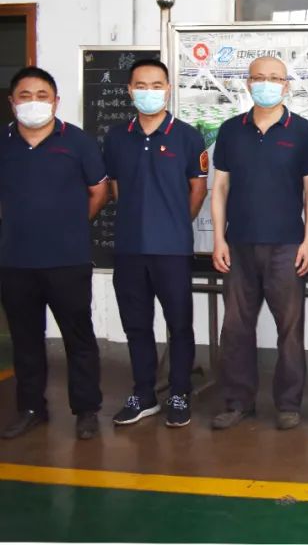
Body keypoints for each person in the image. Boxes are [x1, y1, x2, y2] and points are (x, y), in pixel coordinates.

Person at [210, 56, 308, 431]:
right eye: (259, 77)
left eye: (274, 78)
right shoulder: (231, 130)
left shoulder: (303, 131)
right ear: (248, 83)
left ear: (286, 86)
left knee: (290, 329)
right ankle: (238, 402)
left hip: (286, 246)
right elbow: (220, 187)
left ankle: (288, 404)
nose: (267, 83)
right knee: (235, 328)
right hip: (238, 244)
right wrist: (218, 238)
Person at [0, 67, 108, 440]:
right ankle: (31, 408)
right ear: (12, 102)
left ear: (56, 101)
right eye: (25, 95)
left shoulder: (78, 142)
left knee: (79, 338)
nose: (34, 102)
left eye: (42, 95)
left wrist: (72, 224)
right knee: (26, 339)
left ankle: (86, 410)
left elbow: (99, 191)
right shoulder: (3, 142)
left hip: (68, 260)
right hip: (15, 262)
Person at [105, 59, 208, 429]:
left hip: (172, 249)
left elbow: (198, 189)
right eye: (141, 85)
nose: (149, 92)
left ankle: (179, 392)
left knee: (179, 324)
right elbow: (115, 187)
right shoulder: (116, 137)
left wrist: (174, 222)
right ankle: (144, 394)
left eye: (156, 85)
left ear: (168, 89)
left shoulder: (187, 136)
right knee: (136, 325)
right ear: (130, 90)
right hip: (130, 248)